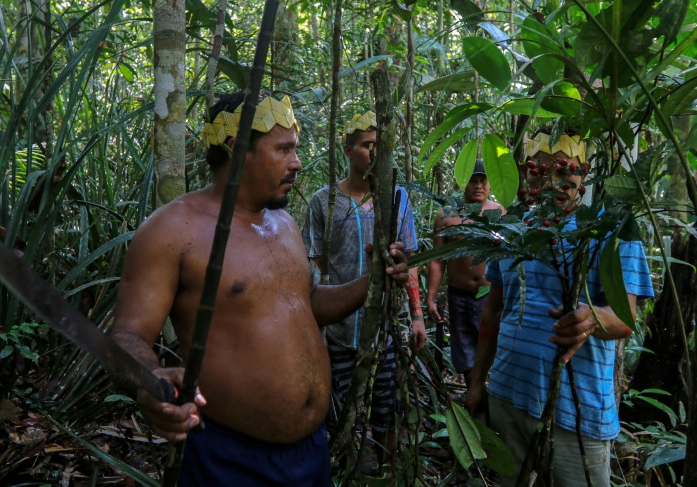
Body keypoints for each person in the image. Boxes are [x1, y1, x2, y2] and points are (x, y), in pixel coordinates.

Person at [110, 93, 410, 486]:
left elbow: (308, 304)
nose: (297, 163)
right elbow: (127, 336)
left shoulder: (283, 223)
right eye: (283, 149)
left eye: (296, 149)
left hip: (311, 452)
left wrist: (374, 282)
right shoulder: (173, 231)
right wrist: (153, 381)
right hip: (228, 456)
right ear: (237, 151)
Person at [465, 128, 654, 487]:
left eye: (566, 172)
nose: (554, 182)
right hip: (507, 394)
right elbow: (493, 311)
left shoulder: (611, 231)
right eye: (541, 172)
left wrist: (592, 318)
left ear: (584, 174)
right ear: (526, 173)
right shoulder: (511, 228)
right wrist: (478, 382)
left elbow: (625, 319)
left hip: (576, 412)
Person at [302, 111, 426, 473]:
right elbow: (316, 264)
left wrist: (416, 315)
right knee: (339, 407)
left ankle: (384, 471)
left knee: (386, 406)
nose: (374, 154)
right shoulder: (323, 201)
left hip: (385, 328)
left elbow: (411, 261)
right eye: (367, 145)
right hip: (340, 330)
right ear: (347, 149)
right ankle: (347, 464)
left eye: (379, 147)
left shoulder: (398, 198)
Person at [426, 159, 505, 385]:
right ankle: (473, 395)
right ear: (464, 183)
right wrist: (431, 297)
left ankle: (489, 396)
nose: (478, 186)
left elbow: (508, 258)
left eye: (483, 181)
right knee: (464, 351)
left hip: (489, 296)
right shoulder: (446, 215)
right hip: (458, 295)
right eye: (472, 181)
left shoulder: (499, 213)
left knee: (492, 347)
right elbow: (437, 260)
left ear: (489, 185)